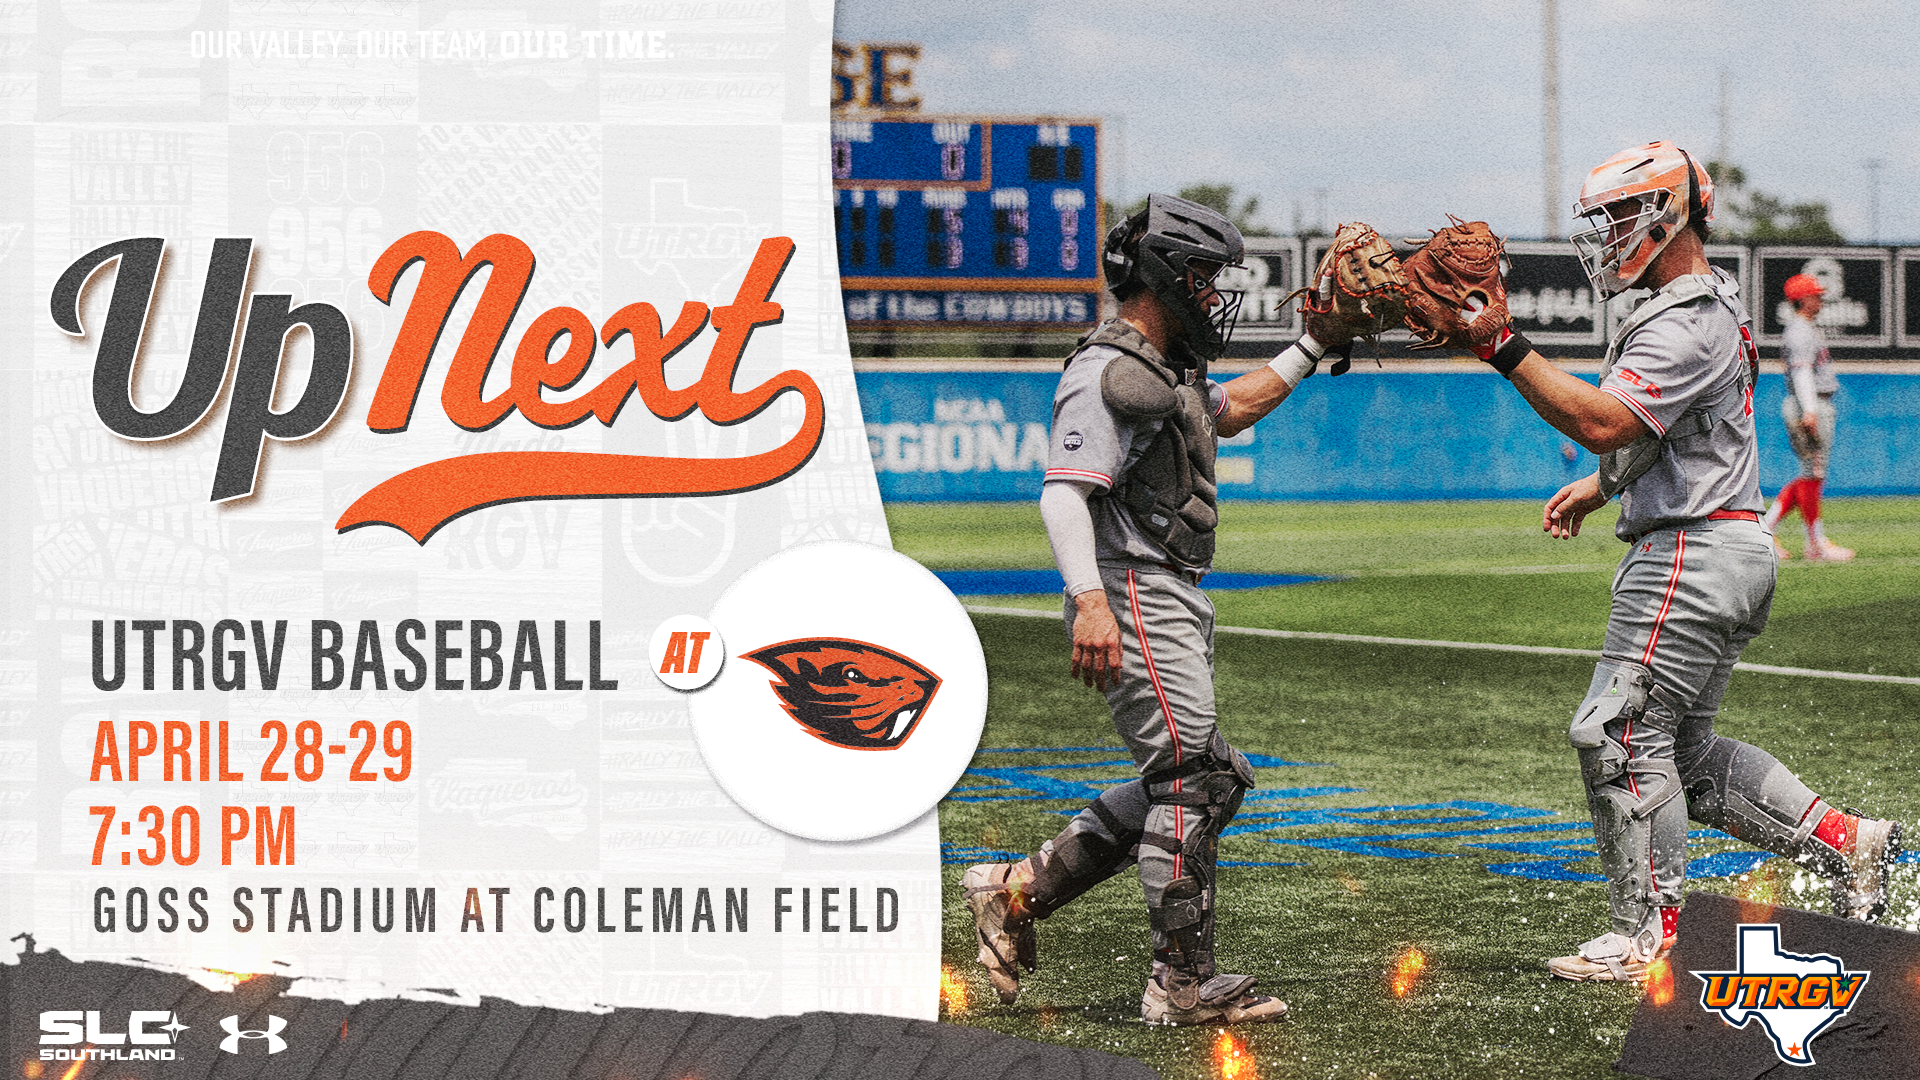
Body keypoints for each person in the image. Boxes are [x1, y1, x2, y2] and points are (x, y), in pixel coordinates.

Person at [1454, 141, 1902, 983]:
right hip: (1725, 542)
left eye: (1620, 216)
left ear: (1666, 214)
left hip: (1692, 550)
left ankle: (1647, 934)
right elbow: (1667, 433)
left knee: (1619, 733)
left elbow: (1605, 420)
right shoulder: (1702, 302)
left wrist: (1502, 343)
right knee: (1683, 758)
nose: (1607, 235)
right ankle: (1850, 845)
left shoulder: (1682, 315)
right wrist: (1602, 488)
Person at [961, 194, 1354, 1025]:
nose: (1217, 296)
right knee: (1196, 778)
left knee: (1204, 775)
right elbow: (1065, 496)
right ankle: (1178, 983)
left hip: (1162, 588)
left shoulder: (1163, 367)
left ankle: (1015, 892)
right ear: (1166, 277)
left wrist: (1315, 343)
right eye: (1206, 278)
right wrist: (1090, 602)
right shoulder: (1106, 370)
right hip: (1132, 586)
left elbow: (1232, 412)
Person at [1763, 273, 1853, 561]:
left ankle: (1765, 532)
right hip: (1810, 404)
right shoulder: (1800, 330)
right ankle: (1814, 543)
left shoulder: (1803, 328)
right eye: (1815, 295)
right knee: (1812, 475)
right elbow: (1802, 373)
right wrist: (1810, 410)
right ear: (1801, 299)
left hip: (1809, 403)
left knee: (1809, 474)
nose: (1821, 299)